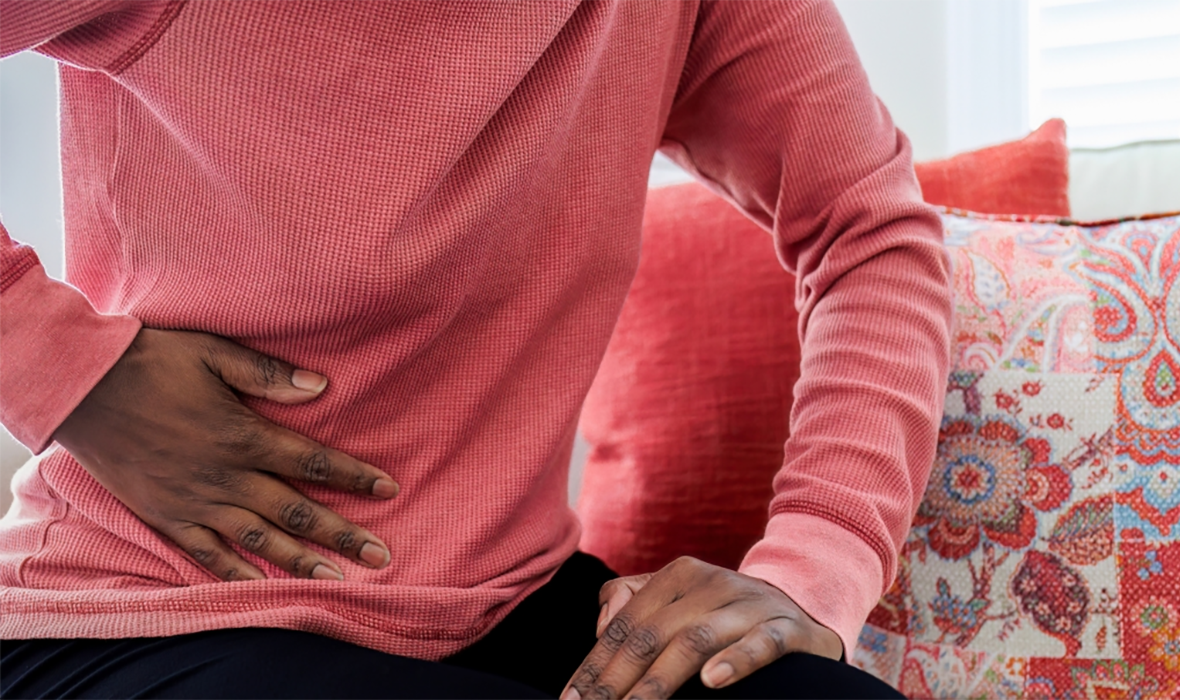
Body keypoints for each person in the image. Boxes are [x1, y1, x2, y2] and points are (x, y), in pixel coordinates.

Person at [0, 1, 951, 698]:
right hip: (145, 617)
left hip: (507, 606)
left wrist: (811, 568)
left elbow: (867, 230)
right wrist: (64, 368)